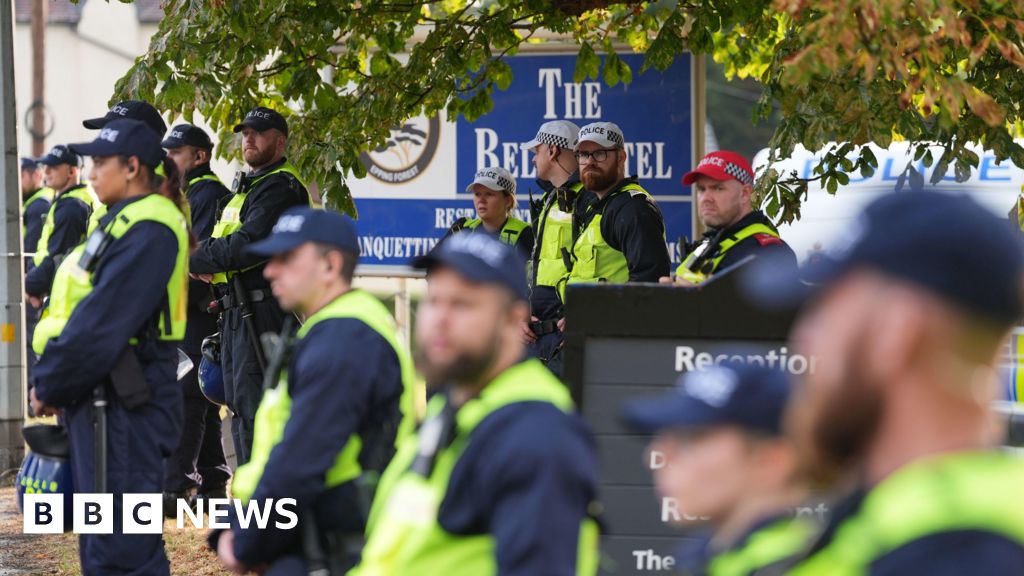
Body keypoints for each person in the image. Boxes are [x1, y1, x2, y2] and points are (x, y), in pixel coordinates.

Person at [768, 192, 1024, 574]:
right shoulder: (899, 528)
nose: (803, 338)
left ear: (897, 332)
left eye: (825, 311)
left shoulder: (952, 556)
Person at [352, 232, 600, 576]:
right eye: (434, 300)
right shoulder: (459, 403)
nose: (440, 318)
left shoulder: (535, 433)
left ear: (513, 319)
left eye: (462, 304)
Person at [211, 207, 417, 575]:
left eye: (287, 259)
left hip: (332, 550)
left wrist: (246, 543)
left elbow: (299, 460)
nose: (271, 270)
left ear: (330, 265)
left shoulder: (344, 338)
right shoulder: (329, 329)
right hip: (309, 539)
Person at [29, 119, 190, 575]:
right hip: (105, 400)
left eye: (101, 163)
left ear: (133, 166)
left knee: (122, 552)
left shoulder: (150, 227)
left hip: (123, 404)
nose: (92, 173)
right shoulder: (124, 219)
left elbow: (100, 324)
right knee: (105, 546)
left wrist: (50, 383)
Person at [189, 106, 310, 466]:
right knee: (240, 411)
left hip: (261, 312)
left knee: (257, 412)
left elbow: (245, 246)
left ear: (280, 140)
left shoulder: (280, 186)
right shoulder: (249, 186)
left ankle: (266, 510)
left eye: (258, 132)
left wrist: (198, 260)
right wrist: (210, 259)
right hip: (235, 312)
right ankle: (249, 505)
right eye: (245, 133)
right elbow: (220, 243)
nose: (249, 139)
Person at [622, 359, 816, 576]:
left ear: (770, 461)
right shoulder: (711, 561)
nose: (653, 457)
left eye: (691, 438)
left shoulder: (810, 566)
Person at [160, 124, 232, 512]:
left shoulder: (204, 194)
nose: (168, 159)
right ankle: (213, 481)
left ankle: (177, 488)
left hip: (197, 308)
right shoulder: (187, 193)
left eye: (176, 153)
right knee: (201, 397)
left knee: (187, 395)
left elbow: (195, 258)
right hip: (194, 308)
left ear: (199, 156)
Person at [561, 122, 670, 300]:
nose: (589, 161)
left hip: (616, 326)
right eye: (583, 154)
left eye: (599, 153)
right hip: (587, 323)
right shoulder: (597, 204)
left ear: (621, 157)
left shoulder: (633, 209)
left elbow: (648, 284)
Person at [663, 151, 797, 286]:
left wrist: (697, 300)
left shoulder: (769, 251)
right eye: (701, 189)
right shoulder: (708, 244)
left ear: (745, 193)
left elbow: (777, 306)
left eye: (718, 188)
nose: (706, 198)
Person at [520, 120, 590, 374]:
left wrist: (585, 312)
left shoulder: (589, 199)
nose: (532, 159)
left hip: (567, 339)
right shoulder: (551, 198)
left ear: (552, 150)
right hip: (538, 338)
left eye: (536, 151)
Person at [26, 145, 94, 304]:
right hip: (60, 290)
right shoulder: (71, 201)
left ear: (72, 171)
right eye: (46, 166)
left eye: (54, 167)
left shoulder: (71, 208)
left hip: (66, 295)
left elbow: (57, 258)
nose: (47, 171)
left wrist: (30, 284)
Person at [444, 166, 534, 260]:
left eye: (489, 194)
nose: (481, 200)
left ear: (508, 201)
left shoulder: (526, 234)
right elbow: (434, 266)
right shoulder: (461, 228)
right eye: (477, 194)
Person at [21, 156, 52, 403]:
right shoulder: (29, 204)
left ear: (34, 175)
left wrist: (26, 283)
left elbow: (30, 249)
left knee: (31, 345)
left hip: (31, 289)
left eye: (19, 174)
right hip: (29, 286)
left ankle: (33, 396)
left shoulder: (37, 206)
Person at [21, 156, 52, 271]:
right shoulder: (32, 202)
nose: (16, 181)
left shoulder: (39, 205)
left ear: (37, 175)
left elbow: (30, 251)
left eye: (21, 176)